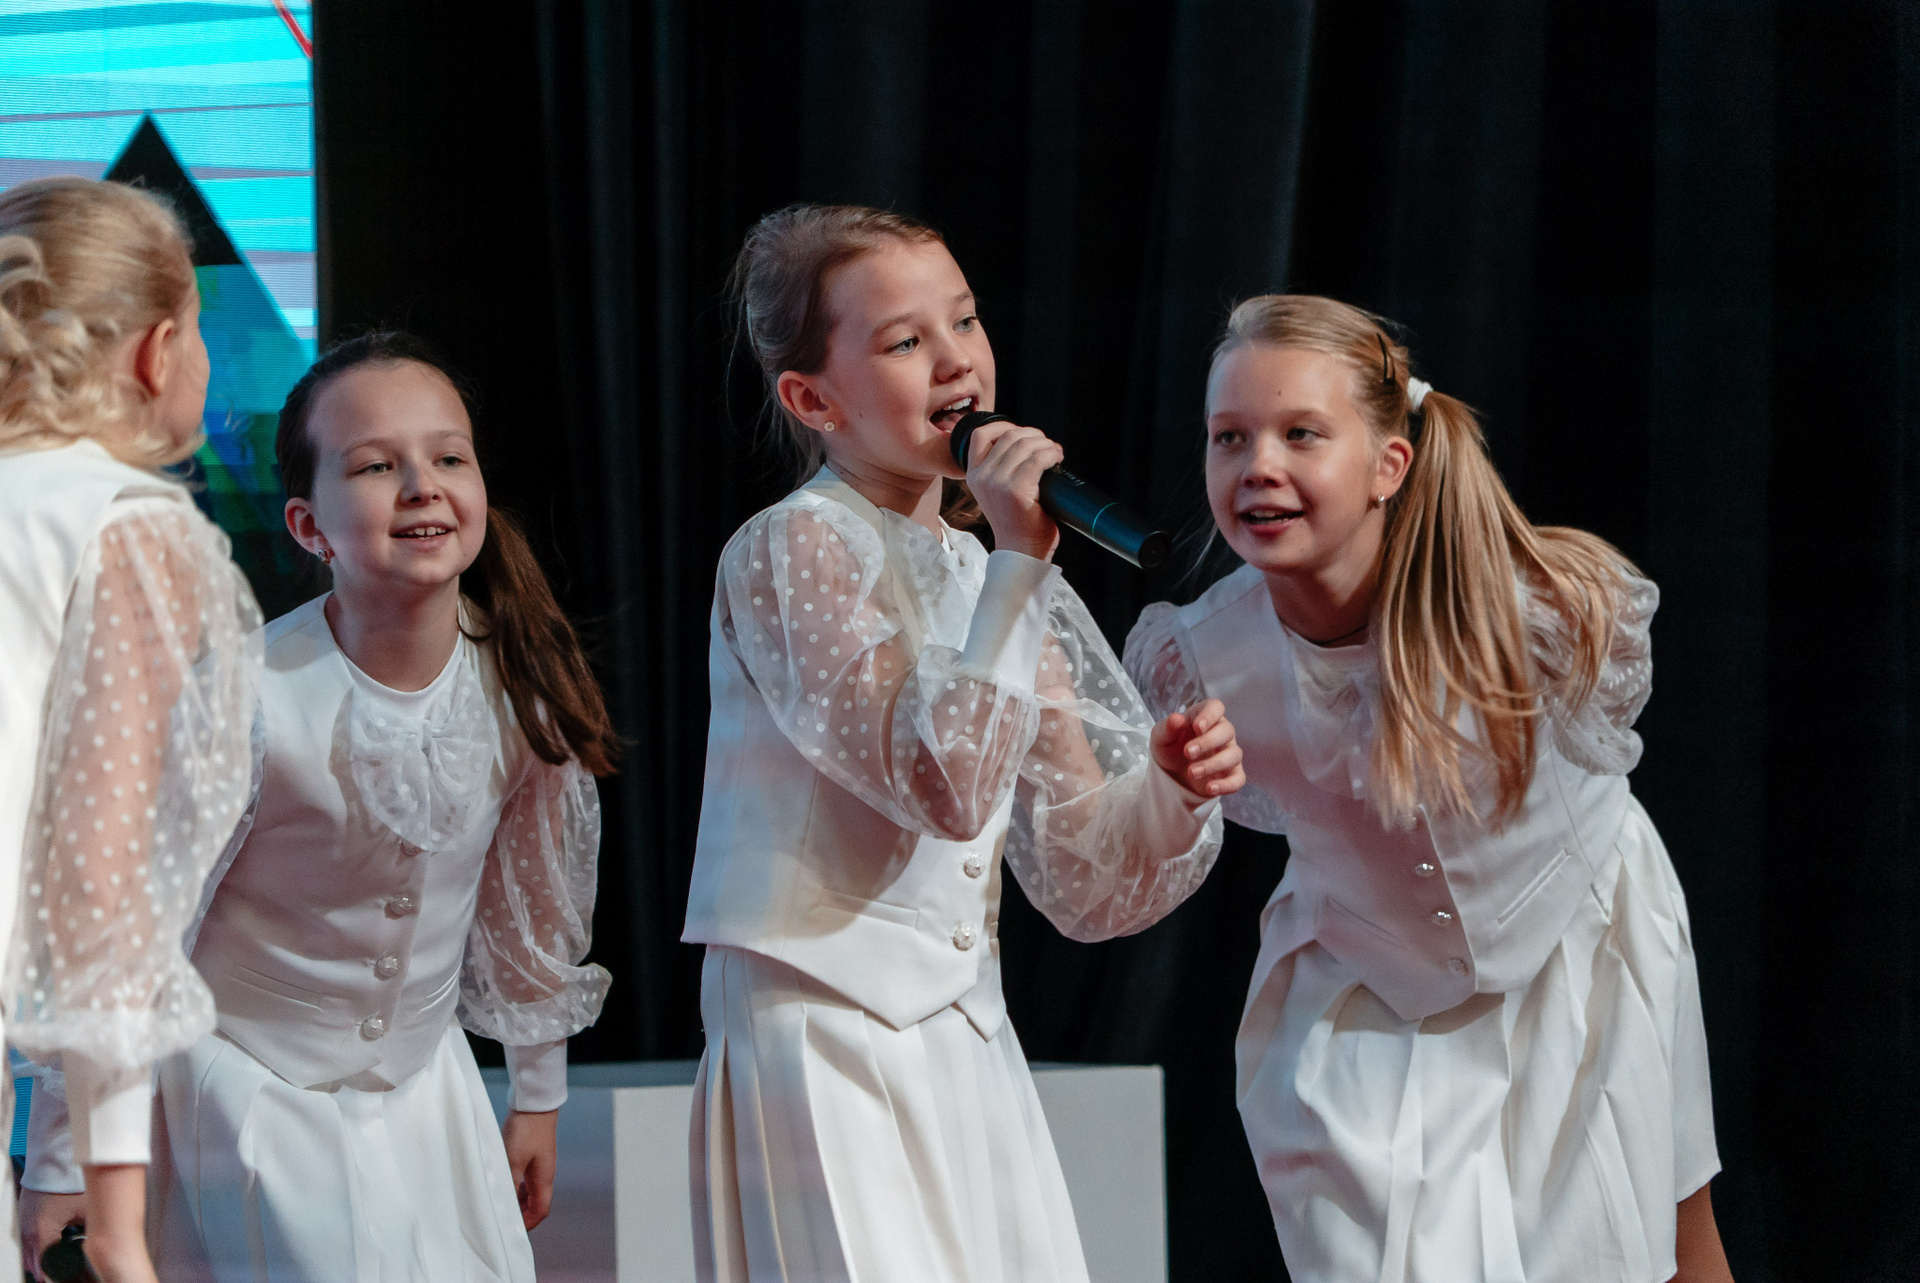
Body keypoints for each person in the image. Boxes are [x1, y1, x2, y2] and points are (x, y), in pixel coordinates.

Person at [686, 204, 1247, 1282]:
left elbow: (1082, 875)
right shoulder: (792, 546)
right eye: (905, 341)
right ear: (811, 398)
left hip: (963, 1031)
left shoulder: (989, 571)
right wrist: (1021, 564)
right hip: (823, 1033)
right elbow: (941, 783)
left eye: (967, 320)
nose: (957, 361)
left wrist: (1171, 789)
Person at [1123, 294, 1734, 1283]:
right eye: (1229, 436)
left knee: (1655, 1234)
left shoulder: (1524, 612)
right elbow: (1150, 846)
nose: (1258, 464)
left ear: (1388, 464)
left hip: (1574, 943)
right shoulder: (1201, 657)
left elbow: (1598, 736)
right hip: (1369, 987)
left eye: (1300, 434)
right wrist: (1173, 783)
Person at [24, 331, 618, 1281]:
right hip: (251, 1090)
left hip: (423, 1096)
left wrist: (536, 1094)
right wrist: (66, 1158)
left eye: (449, 457)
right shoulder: (245, 699)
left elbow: (528, 909)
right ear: (309, 526)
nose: (421, 486)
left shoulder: (522, 689)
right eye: (377, 466)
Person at [0, 176, 260, 1283]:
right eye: (200, 328)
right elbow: (99, 878)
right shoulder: (130, 526)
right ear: (158, 351)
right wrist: (114, 1213)